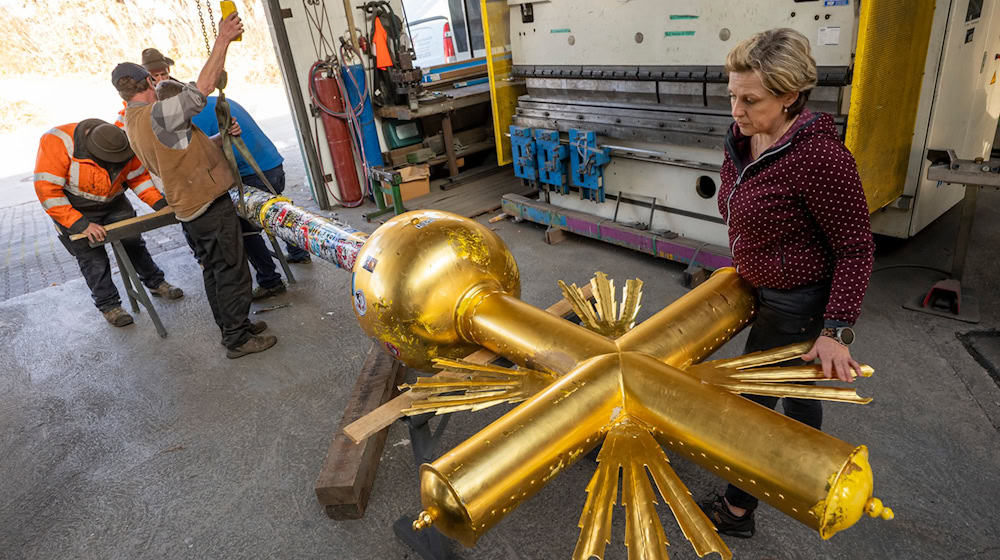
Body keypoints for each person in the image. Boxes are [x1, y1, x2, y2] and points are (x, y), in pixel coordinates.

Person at [699, 28, 875, 538]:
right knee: (797, 393)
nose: (736, 109)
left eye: (751, 100)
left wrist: (836, 331)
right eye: (732, 95)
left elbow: (856, 248)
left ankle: (736, 511)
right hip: (764, 286)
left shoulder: (819, 159)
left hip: (797, 302)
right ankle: (807, 478)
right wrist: (744, 263)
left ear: (791, 96)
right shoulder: (744, 138)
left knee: (752, 408)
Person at [113, 10, 277, 359]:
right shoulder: (155, 113)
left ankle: (234, 327)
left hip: (190, 206)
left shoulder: (131, 120)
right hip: (206, 203)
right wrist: (222, 41)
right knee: (232, 270)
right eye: (155, 81)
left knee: (216, 269)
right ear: (148, 83)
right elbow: (201, 91)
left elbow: (178, 151)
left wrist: (218, 138)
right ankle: (237, 338)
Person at [143, 45, 311, 300]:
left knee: (242, 227)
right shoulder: (217, 102)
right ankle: (298, 251)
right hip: (275, 167)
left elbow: (197, 159)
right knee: (273, 210)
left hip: (254, 176)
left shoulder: (190, 120)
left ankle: (270, 280)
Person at [33, 119, 184, 326]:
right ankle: (110, 306)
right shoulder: (58, 141)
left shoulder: (120, 140)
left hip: (113, 201)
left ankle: (156, 282)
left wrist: (160, 204)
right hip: (73, 208)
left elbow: (138, 178)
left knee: (133, 242)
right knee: (93, 259)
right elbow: (47, 192)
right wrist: (81, 225)